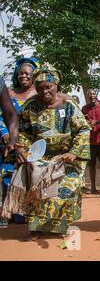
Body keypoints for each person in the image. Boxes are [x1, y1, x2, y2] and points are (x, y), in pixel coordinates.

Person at [13, 63, 90, 240]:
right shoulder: (30, 106)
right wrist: (23, 148)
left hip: (67, 156)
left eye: (48, 88)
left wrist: (74, 152)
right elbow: (23, 131)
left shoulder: (69, 104)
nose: (44, 92)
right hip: (40, 155)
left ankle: (61, 226)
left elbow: (84, 129)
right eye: (40, 89)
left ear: (56, 86)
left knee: (67, 186)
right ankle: (36, 228)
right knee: (36, 183)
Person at [0, 57, 39, 227]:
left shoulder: (40, 94)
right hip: (8, 141)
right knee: (6, 176)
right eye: (21, 73)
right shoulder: (8, 93)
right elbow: (4, 115)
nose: (23, 76)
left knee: (28, 177)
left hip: (31, 143)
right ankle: (6, 211)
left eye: (27, 73)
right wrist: (5, 133)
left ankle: (22, 211)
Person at [82, 89, 100, 194]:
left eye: (93, 94)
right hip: (90, 141)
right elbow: (82, 121)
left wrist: (97, 122)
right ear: (87, 96)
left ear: (96, 95)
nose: (91, 96)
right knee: (92, 164)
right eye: (89, 94)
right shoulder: (84, 108)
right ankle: (93, 187)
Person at [0, 76, 19, 228]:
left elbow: (10, 114)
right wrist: (3, 131)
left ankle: (13, 212)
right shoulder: (12, 93)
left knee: (10, 177)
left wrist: (13, 139)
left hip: (15, 145)